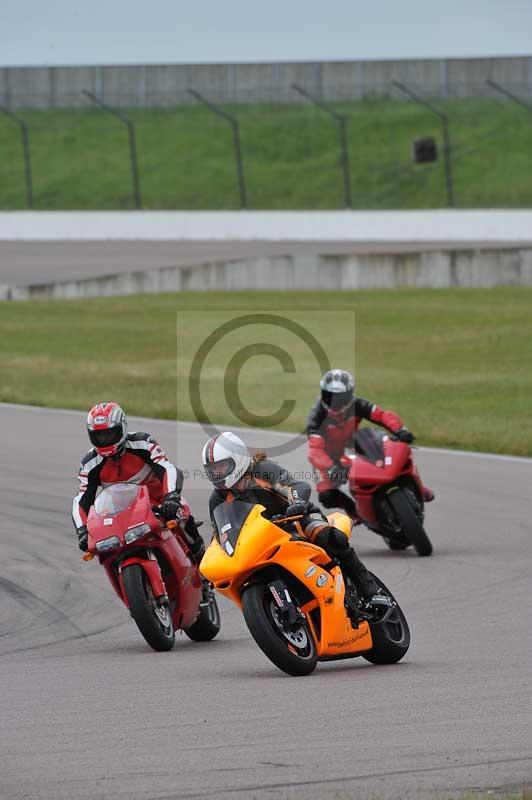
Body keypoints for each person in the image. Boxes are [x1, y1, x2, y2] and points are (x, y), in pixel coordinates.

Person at [201, 430, 384, 602]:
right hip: (258, 541)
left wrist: (296, 504)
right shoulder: (217, 499)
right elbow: (220, 533)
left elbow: (295, 486)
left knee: (330, 538)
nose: (217, 473)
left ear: (237, 458)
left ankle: (371, 591)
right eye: (212, 469)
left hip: (295, 519)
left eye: (221, 466)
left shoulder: (262, 469)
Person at [72, 402, 204, 561]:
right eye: (99, 436)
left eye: (109, 434)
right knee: (105, 551)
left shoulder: (142, 443)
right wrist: (82, 530)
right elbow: (82, 499)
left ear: (122, 428)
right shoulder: (89, 464)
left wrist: (171, 497)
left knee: (182, 517)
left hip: (159, 505)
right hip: (119, 517)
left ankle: (201, 559)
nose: (104, 440)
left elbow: (167, 468)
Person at [307, 369, 434, 520]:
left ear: (349, 395)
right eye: (330, 397)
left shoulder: (358, 404)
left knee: (391, 455)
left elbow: (382, 415)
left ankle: (419, 488)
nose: (336, 404)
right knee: (326, 494)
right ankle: (355, 512)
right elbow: (315, 450)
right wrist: (330, 466)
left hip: (354, 441)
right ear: (323, 394)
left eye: (340, 398)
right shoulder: (317, 416)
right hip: (329, 455)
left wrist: (400, 429)